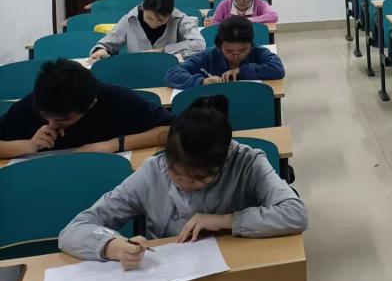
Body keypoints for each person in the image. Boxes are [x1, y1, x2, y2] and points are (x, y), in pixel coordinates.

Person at [58, 95, 308, 268]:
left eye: (200, 179)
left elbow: (295, 214)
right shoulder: (154, 170)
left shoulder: (247, 163)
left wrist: (224, 221)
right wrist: (114, 246)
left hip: (236, 267)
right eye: (176, 174)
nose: (186, 184)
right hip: (168, 273)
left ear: (224, 162)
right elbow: (73, 231)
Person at [0, 59, 172, 160]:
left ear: (91, 104)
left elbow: (174, 130)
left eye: (63, 119)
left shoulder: (115, 98)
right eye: (45, 116)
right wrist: (29, 145)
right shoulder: (38, 101)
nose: (51, 124)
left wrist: (113, 145)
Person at [166, 15, 284, 89]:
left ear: (251, 44)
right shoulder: (209, 55)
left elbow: (277, 69)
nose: (236, 55)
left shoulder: (258, 52)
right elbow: (172, 74)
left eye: (242, 50)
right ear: (219, 45)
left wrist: (242, 71)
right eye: (229, 51)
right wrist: (202, 81)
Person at [89, 0, 205, 60]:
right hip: (138, 70)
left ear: (170, 14)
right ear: (143, 7)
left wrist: (162, 50)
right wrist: (101, 51)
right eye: (149, 18)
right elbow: (107, 44)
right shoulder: (130, 19)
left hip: (170, 70)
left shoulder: (180, 19)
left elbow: (199, 44)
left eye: (161, 20)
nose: (153, 23)